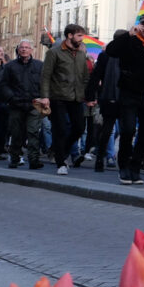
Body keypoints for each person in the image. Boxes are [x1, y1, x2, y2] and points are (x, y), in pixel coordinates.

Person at [103, 14, 144, 186]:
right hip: (129, 94)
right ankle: (123, 166)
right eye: (143, 25)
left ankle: (135, 167)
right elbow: (111, 50)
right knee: (128, 130)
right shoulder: (129, 42)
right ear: (139, 26)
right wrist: (128, 34)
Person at [40, 24, 90, 176]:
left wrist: (89, 96)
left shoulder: (81, 54)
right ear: (70, 36)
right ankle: (60, 162)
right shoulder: (54, 53)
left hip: (76, 97)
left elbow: (85, 76)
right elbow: (45, 75)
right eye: (79, 36)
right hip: (58, 96)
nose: (82, 39)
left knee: (79, 128)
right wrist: (45, 96)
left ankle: (59, 150)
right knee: (60, 128)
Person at [86, 29, 128, 172]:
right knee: (123, 130)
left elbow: (95, 76)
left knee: (108, 130)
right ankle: (121, 160)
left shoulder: (104, 56)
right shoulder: (126, 55)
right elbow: (96, 77)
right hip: (121, 97)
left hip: (108, 96)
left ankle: (100, 159)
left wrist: (91, 95)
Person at [1, 40, 45, 169]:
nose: (24, 50)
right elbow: (3, 84)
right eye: (22, 48)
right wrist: (11, 97)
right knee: (16, 133)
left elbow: (45, 83)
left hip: (34, 104)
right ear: (18, 50)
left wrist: (43, 98)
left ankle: (34, 160)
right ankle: (14, 159)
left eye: (27, 48)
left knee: (33, 132)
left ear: (32, 50)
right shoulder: (10, 66)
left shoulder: (39, 66)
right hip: (16, 104)